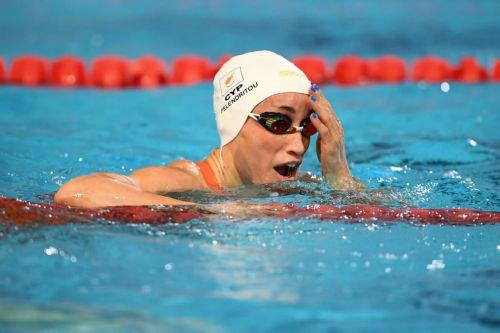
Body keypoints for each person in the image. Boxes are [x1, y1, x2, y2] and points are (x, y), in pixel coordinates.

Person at [55, 50, 363, 209]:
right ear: (235, 122)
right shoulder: (185, 181)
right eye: (279, 123)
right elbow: (77, 192)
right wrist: (213, 213)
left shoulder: (295, 187)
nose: (297, 146)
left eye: (306, 127)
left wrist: (339, 175)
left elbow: (388, 211)